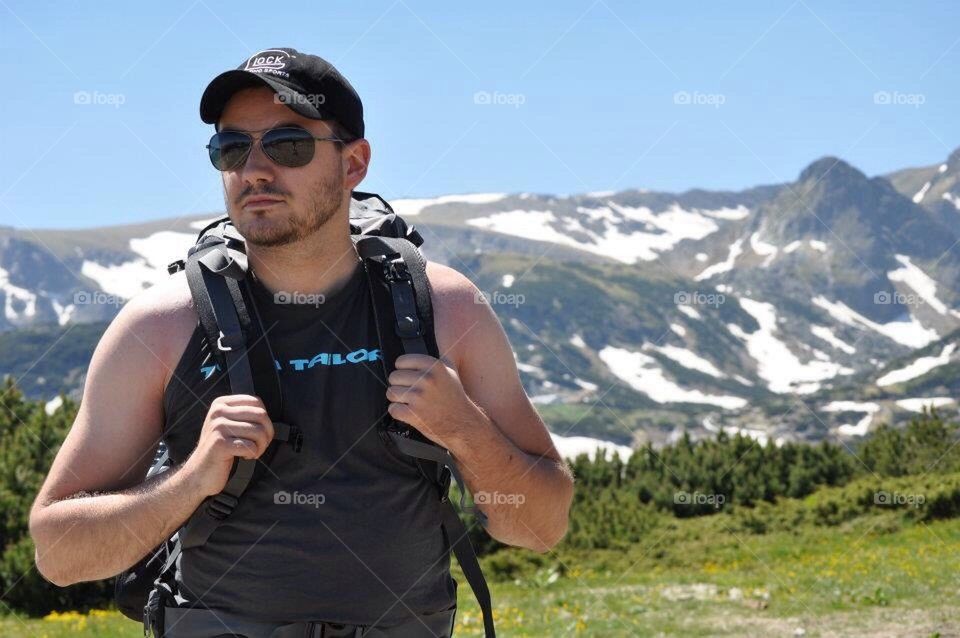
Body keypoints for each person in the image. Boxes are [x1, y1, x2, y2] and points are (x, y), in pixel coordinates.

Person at [28, 47, 574, 635]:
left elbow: (540, 527)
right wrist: (191, 481)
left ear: (354, 163)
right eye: (231, 148)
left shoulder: (444, 307)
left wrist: (464, 428)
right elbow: (59, 555)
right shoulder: (160, 326)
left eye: (288, 145)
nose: (255, 169)